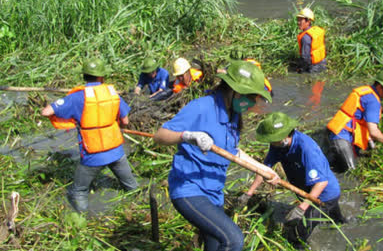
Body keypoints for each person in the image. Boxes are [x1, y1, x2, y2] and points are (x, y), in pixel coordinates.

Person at [153, 61, 275, 251]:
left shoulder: (233, 115)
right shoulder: (202, 107)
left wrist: (264, 170)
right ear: (234, 90)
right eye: (250, 96)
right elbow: (160, 136)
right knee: (234, 239)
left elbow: (233, 152)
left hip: (214, 193)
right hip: (190, 189)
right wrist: (188, 136)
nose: (252, 102)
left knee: (215, 245)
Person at [41, 58, 138, 212]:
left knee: (78, 191)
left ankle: (83, 222)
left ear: (85, 76)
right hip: (117, 151)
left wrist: (69, 113)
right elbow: (125, 121)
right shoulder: (112, 93)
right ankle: (138, 208)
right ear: (102, 77)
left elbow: (46, 112)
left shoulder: (77, 97)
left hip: (93, 156)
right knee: (132, 187)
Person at [238, 112, 345, 244]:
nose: (270, 142)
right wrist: (249, 193)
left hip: (323, 196)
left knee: (296, 237)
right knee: (337, 222)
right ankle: (345, 225)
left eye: (273, 139)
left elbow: (321, 183)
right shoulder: (277, 145)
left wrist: (301, 208)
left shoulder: (306, 148)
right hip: (307, 191)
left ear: (284, 136)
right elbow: (264, 170)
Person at [326, 69, 383, 172]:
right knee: (351, 172)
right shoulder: (373, 101)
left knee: (334, 164)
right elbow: (374, 131)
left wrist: (368, 140)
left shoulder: (366, 91)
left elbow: (358, 117)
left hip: (335, 130)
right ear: (380, 87)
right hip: (342, 137)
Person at [296, 8, 327, 73]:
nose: (298, 23)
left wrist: (301, 70)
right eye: (298, 20)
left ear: (308, 21)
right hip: (323, 63)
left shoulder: (305, 37)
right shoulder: (317, 30)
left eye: (301, 20)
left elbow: (305, 58)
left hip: (313, 68)